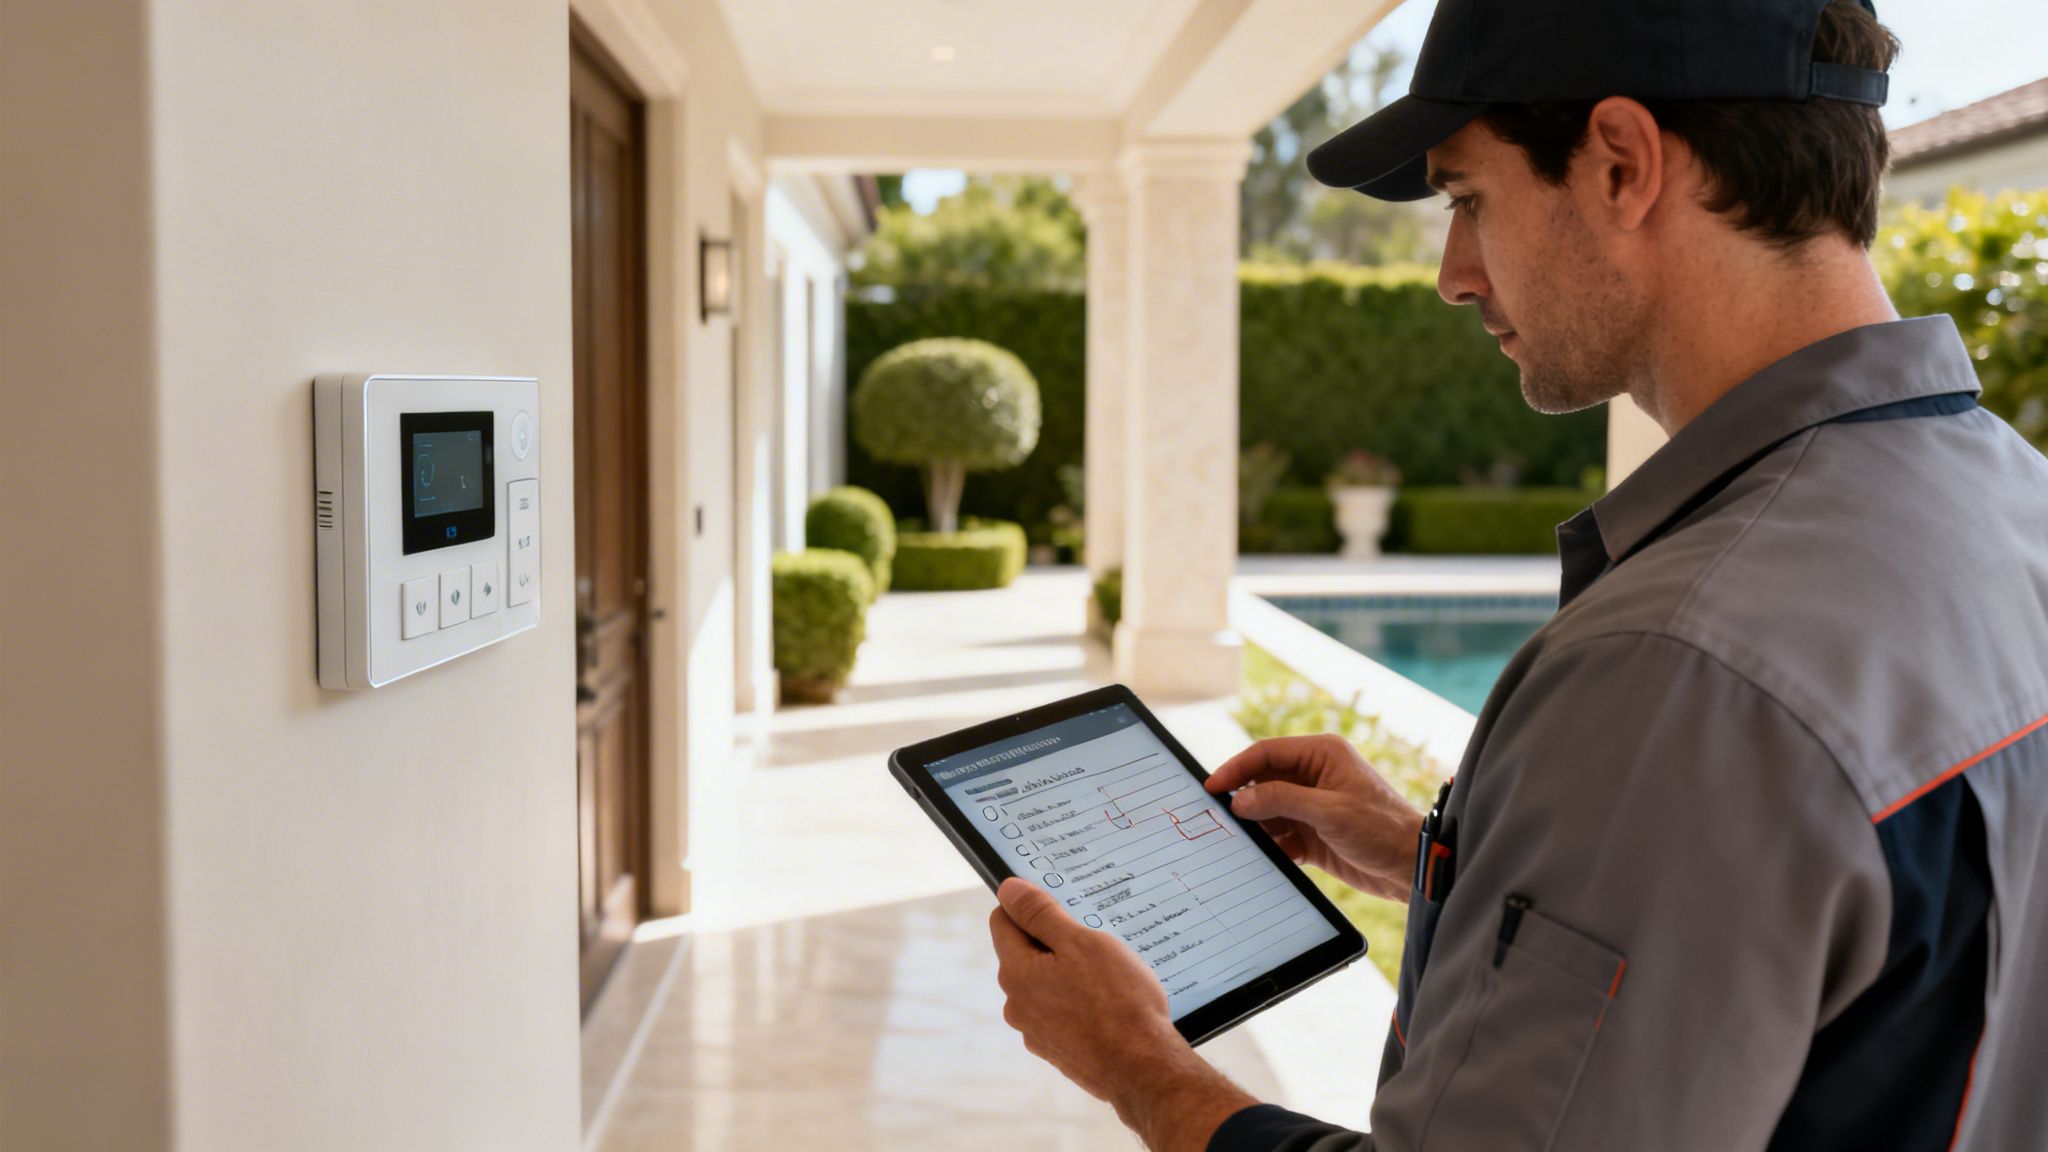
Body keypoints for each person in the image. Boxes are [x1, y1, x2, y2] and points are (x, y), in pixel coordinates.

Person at [986, 1, 2048, 1148]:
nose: (1451, 275)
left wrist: (1138, 1065)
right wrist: (1456, 865)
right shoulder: (2013, 508)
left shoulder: (1672, 666)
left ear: (1619, 163)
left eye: (1465, 199)